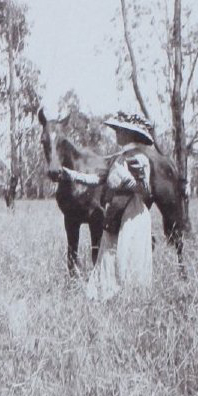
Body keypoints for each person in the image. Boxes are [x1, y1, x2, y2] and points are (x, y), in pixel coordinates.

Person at [60, 112, 155, 301]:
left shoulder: (140, 159)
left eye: (120, 130)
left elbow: (146, 193)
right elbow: (97, 179)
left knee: (127, 256)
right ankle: (108, 297)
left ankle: (130, 300)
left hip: (133, 215)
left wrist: (136, 183)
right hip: (115, 213)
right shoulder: (117, 158)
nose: (116, 133)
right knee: (109, 257)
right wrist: (71, 175)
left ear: (129, 133)